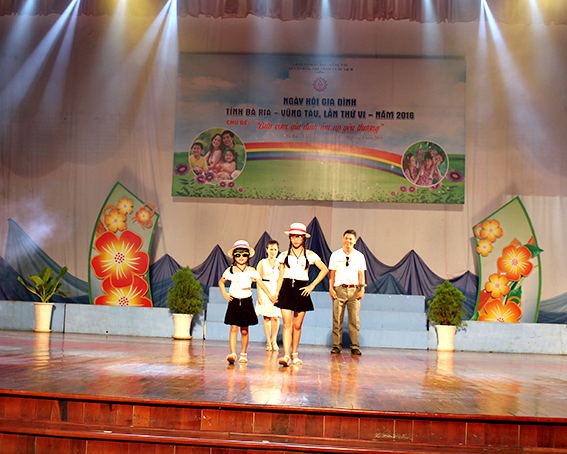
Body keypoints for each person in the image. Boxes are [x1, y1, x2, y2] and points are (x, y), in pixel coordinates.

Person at [275, 223, 328, 367]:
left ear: (304, 238)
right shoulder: (283, 255)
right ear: (290, 238)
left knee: (297, 325)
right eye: (293, 236)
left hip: (301, 289)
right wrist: (276, 293)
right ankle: (286, 355)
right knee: (287, 323)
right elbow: (280, 276)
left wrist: (312, 286)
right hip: (287, 288)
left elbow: (324, 269)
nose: (296, 239)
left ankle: (294, 353)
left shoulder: (310, 255)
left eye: (299, 237)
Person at [219, 240, 276, 365]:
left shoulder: (252, 271)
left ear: (248, 256)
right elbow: (221, 282)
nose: (241, 257)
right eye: (238, 254)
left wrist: (270, 296)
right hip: (234, 302)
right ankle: (233, 353)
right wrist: (225, 294)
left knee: (244, 330)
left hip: (246, 302)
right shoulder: (230, 270)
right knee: (233, 328)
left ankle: (243, 353)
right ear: (234, 256)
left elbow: (261, 284)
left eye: (244, 254)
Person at [328, 229, 367, 356]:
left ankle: (355, 346)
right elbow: (332, 274)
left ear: (355, 241)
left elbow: (361, 274)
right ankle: (336, 346)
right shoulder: (335, 255)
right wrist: (331, 288)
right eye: (346, 238)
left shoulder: (359, 256)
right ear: (343, 240)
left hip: (354, 290)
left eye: (350, 239)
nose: (348, 241)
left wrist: (362, 289)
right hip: (339, 289)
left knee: (354, 320)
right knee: (337, 319)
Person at [255, 240, 282, 351]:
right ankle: (268, 342)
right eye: (271, 249)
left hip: (276, 289)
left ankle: (274, 340)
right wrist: (259, 295)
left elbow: (281, 278)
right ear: (267, 250)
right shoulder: (262, 263)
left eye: (275, 249)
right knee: (266, 317)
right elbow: (258, 279)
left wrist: (278, 292)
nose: (273, 252)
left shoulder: (280, 263)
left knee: (276, 317)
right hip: (265, 289)